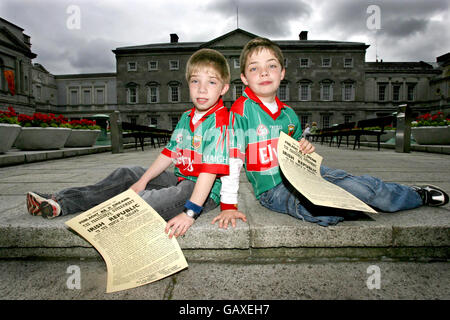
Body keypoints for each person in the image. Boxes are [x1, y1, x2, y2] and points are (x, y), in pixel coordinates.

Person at [216, 37, 449, 228]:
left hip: (307, 174)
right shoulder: (240, 111)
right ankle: (348, 205)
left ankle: (416, 195)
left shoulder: (289, 114)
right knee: (318, 209)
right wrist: (228, 206)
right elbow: (232, 160)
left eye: (271, 66)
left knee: (363, 189)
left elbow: (297, 145)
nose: (264, 73)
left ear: (282, 73)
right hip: (272, 190)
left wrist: (303, 148)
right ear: (244, 78)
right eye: (255, 68)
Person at [27, 48, 231, 238]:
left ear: (224, 88)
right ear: (188, 84)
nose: (202, 89)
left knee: (140, 202)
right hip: (181, 179)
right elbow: (169, 154)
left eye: (211, 82)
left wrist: (190, 212)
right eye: (196, 81)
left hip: (204, 192)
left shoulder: (220, 122)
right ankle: (60, 202)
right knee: (127, 174)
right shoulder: (187, 117)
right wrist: (142, 181)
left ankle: (93, 220)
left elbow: (209, 172)